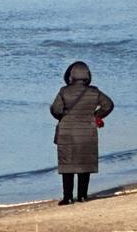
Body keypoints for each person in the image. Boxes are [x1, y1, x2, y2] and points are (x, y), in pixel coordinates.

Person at [50, 61, 114, 205]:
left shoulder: (64, 91)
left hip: (67, 133)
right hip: (87, 132)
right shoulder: (94, 92)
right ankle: (82, 196)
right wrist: (96, 115)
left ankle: (67, 197)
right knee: (85, 165)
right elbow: (108, 105)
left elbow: (56, 110)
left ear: (71, 75)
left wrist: (64, 116)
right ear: (87, 75)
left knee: (67, 166)